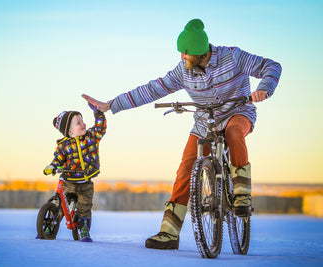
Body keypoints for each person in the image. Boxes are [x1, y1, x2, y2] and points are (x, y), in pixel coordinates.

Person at [82, 18, 281, 249]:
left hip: (239, 111)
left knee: (235, 132)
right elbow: (151, 89)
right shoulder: (182, 72)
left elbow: (272, 66)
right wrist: (110, 105)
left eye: (185, 54)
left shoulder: (233, 57)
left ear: (199, 52)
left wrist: (265, 88)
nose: (182, 57)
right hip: (205, 121)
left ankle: (242, 194)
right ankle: (169, 233)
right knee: (186, 168)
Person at [43, 103, 107, 242]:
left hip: (86, 183)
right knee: (60, 207)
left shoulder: (91, 137)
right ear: (70, 132)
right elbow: (58, 158)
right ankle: (49, 226)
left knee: (84, 208)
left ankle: (83, 228)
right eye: (78, 123)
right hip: (69, 182)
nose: (83, 124)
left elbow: (100, 128)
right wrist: (52, 166)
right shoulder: (64, 145)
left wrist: (98, 115)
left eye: (83, 121)